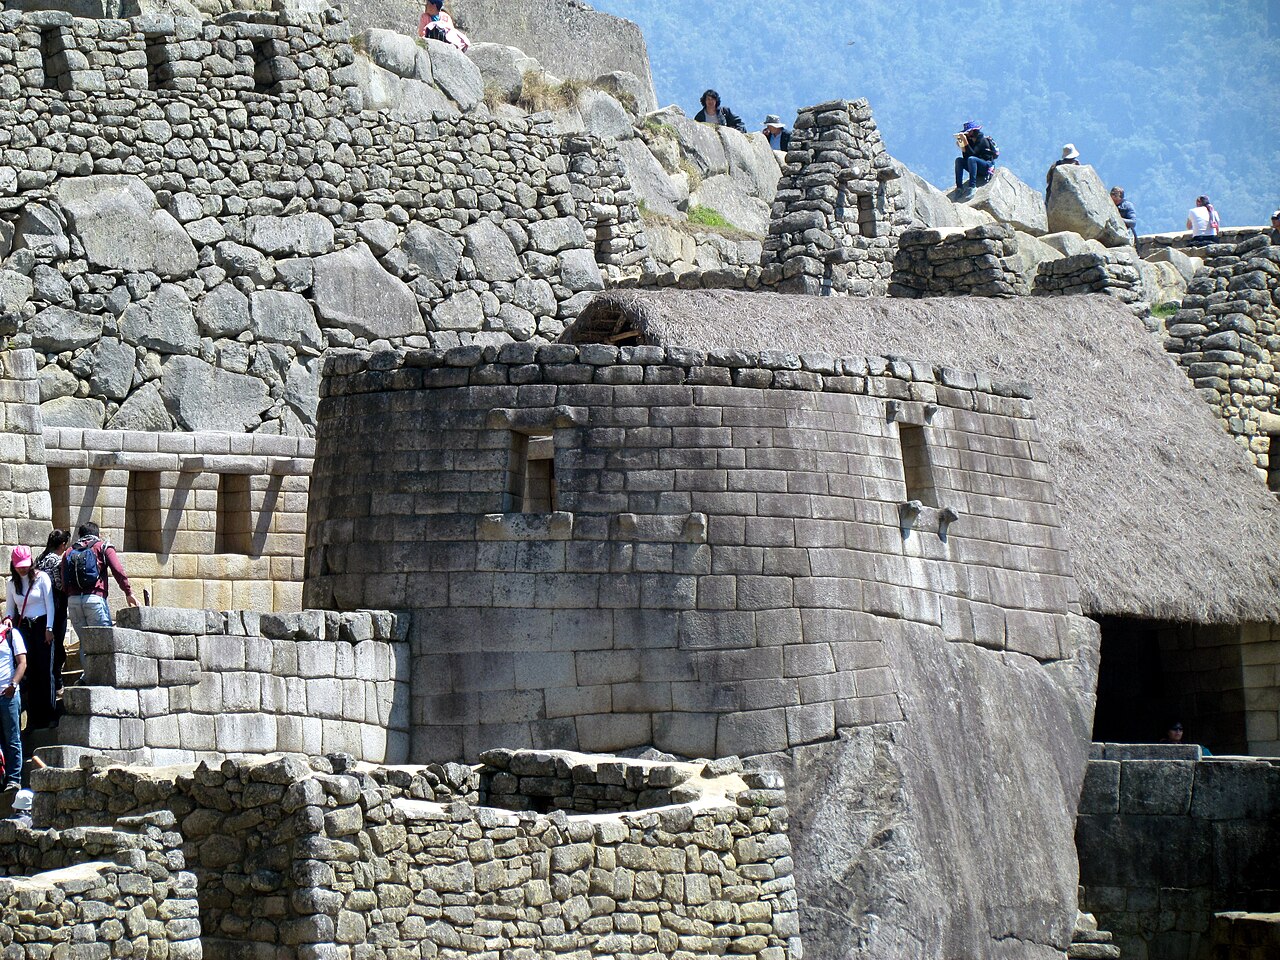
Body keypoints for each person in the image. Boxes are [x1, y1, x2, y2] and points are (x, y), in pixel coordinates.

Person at [5, 547, 55, 732]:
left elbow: (50, 604)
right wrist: (8, 619)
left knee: (45, 670)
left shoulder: (42, 578)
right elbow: (10, 608)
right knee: (30, 672)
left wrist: (49, 628)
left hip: (42, 625)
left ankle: (50, 715)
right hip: (25, 627)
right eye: (19, 567)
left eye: (25, 566)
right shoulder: (12, 583)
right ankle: (34, 718)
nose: (23, 570)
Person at [61, 522, 138, 631]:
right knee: (103, 644)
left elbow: (64, 579)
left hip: (74, 601)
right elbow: (118, 570)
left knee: (85, 644)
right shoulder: (103, 547)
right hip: (94, 598)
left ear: (80, 535)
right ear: (97, 534)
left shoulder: (69, 551)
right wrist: (128, 592)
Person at [34, 530, 68, 697]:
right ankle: (57, 682)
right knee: (57, 642)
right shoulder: (57, 560)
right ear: (62, 545)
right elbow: (59, 585)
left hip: (39, 606)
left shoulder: (40, 558)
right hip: (56, 604)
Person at [0, 619, 25, 791]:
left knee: (12, 738)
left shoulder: (11, 634)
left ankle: (14, 779)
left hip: (8, 695)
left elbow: (22, 662)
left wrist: (13, 684)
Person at [954, 121, 997, 195]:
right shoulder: (970, 141)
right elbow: (966, 157)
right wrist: (962, 147)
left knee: (972, 159)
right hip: (975, 166)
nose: (967, 134)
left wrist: (965, 142)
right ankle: (959, 188)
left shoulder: (983, 141)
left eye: (968, 132)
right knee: (959, 160)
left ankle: (972, 187)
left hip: (986, 167)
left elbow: (973, 155)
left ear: (973, 131)